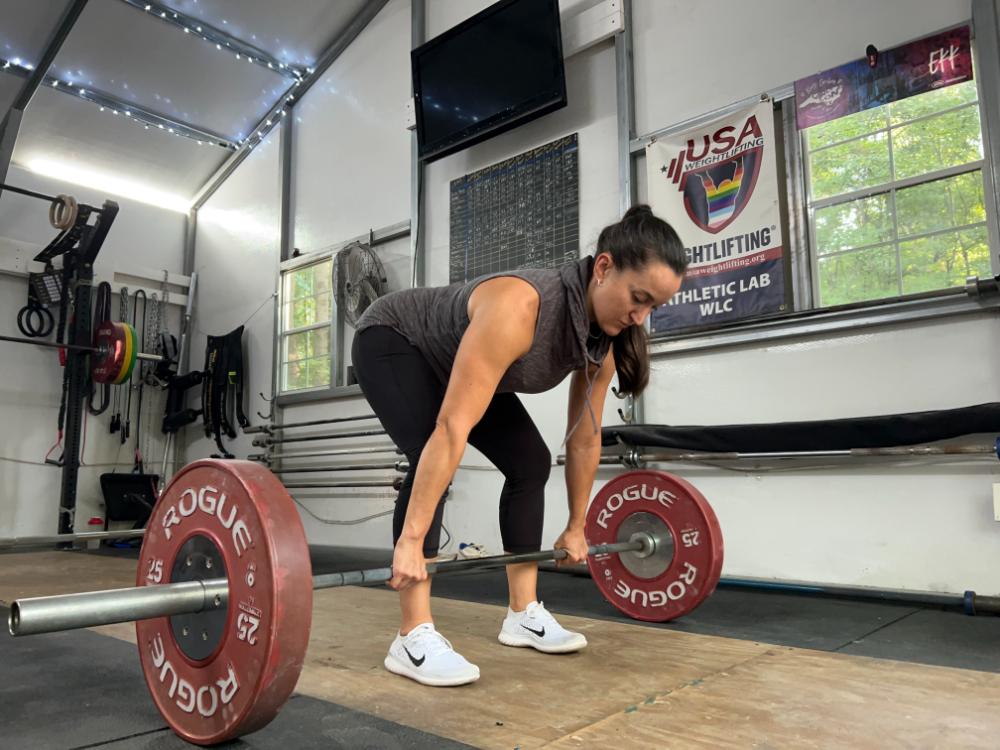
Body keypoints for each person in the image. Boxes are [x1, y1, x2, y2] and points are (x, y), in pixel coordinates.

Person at [351, 204, 686, 686]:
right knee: (432, 447)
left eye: (654, 306)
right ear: (604, 267)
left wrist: (576, 527)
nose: (641, 316)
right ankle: (412, 634)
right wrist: (409, 542)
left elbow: (586, 436)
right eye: (638, 298)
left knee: (530, 461)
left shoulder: (603, 341)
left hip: (455, 361)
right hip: (396, 342)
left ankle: (523, 612)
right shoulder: (521, 306)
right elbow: (450, 431)